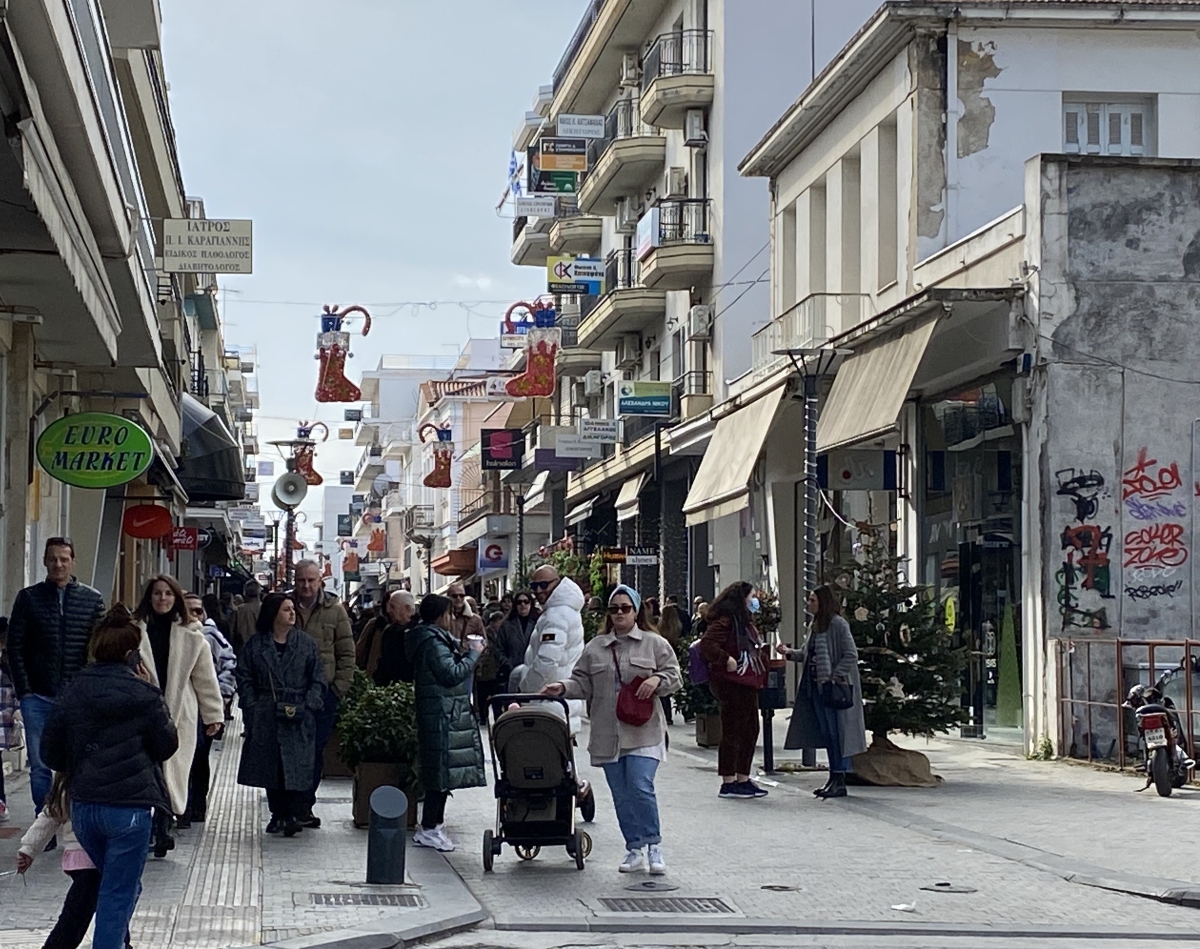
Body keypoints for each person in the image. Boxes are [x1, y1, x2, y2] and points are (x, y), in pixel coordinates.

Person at [40, 605, 178, 949]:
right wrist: (152, 694)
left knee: (117, 886)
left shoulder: (72, 691)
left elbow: (50, 753)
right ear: (132, 655)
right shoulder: (145, 695)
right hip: (129, 811)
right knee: (116, 897)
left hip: (86, 808)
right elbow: (166, 746)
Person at [542, 584, 680, 875]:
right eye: (614, 608)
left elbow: (674, 676)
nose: (619, 613)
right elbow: (581, 682)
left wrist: (656, 681)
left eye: (625, 608)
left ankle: (654, 845)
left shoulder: (654, 643)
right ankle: (634, 847)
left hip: (644, 731)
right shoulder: (596, 648)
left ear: (636, 611)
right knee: (621, 794)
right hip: (607, 733)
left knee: (641, 787)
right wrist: (563, 687)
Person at [7, 538, 106, 814]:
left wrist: (88, 687)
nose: (58, 564)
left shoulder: (92, 599)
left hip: (76, 697)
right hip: (37, 696)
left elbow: (99, 648)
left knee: (77, 761)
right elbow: (15, 647)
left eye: (64, 558)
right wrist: (24, 690)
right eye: (53, 559)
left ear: (73, 561)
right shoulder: (28, 598)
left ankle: (75, 822)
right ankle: (45, 819)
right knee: (40, 765)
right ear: (44, 561)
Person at [134, 576, 224, 851]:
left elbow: (205, 678)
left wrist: (214, 715)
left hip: (179, 712)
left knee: (172, 771)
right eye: (157, 594)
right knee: (147, 771)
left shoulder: (193, 636)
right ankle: (153, 827)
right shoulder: (134, 632)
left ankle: (164, 826)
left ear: (176, 599)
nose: (162, 599)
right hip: (141, 712)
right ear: (149, 597)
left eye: (168, 594)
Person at [236, 593, 326, 837]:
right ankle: (279, 814)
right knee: (271, 764)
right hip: (267, 713)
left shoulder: (306, 644)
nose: (292, 613)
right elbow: (244, 677)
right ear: (273, 613)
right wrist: (252, 706)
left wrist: (310, 704)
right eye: (286, 609)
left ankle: (292, 813)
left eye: (292, 609)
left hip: (299, 713)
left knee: (298, 763)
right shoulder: (256, 645)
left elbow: (318, 678)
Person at [405, 593, 485, 852]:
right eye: (449, 614)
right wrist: (473, 656)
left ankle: (434, 825)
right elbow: (451, 674)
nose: (452, 619)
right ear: (440, 616)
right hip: (441, 713)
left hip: (442, 711)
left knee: (441, 772)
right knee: (438, 773)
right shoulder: (432, 642)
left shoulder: (434, 639)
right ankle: (429, 827)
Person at [17, 772, 133, 949]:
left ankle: (122, 943)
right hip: (91, 857)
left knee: (106, 907)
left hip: (83, 858)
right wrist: (29, 848)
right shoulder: (96, 777)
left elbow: (50, 815)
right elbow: (51, 814)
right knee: (85, 912)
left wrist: (29, 848)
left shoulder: (68, 779)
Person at [780, 586, 867, 799]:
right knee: (828, 734)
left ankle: (839, 778)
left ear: (822, 602)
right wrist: (789, 653)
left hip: (832, 689)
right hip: (816, 688)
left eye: (812, 600)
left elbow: (850, 654)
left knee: (838, 734)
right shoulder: (815, 626)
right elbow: (808, 653)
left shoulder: (838, 624)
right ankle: (833, 777)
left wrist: (835, 675)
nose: (808, 604)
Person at [289, 559, 355, 828]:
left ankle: (305, 805)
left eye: (311, 580)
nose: (306, 585)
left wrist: (339, 688)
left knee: (314, 751)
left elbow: (347, 651)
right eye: (301, 580)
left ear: (320, 582)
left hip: (323, 694)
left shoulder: (335, 611)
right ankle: (285, 807)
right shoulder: (284, 606)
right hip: (288, 693)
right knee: (287, 751)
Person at [699, 581, 769, 799]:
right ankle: (729, 781)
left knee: (749, 730)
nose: (755, 600)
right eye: (752, 596)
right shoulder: (727, 621)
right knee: (733, 731)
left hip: (746, 682)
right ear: (741, 599)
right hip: (733, 683)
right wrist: (725, 658)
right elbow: (707, 645)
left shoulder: (743, 621)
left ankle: (742, 778)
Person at [184, 594, 237, 823]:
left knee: (199, 758)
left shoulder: (211, 635)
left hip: (202, 710)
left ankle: (196, 806)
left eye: (198, 610)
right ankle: (180, 807)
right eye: (189, 610)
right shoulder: (172, 635)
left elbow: (229, 663)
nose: (194, 615)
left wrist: (222, 697)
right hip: (179, 710)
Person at [515, 566, 586, 733]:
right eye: (534, 586)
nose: (539, 590)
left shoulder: (556, 615)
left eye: (544, 585)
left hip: (547, 704)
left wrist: (525, 689)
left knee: (542, 757)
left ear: (558, 583)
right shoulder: (565, 610)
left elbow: (547, 661)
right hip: (558, 703)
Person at [373, 590, 419, 686]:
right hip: (391, 686)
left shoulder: (419, 631)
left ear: (407, 608)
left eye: (393, 607)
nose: (389, 611)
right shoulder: (389, 632)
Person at [496, 590, 538, 691]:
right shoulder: (506, 625)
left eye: (526, 601)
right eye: (519, 602)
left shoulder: (539, 623)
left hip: (534, 671)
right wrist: (507, 663)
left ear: (531, 603)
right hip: (512, 673)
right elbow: (498, 649)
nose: (522, 605)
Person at [356, 592, 404, 678]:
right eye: (391, 604)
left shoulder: (406, 627)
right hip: (374, 674)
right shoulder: (375, 624)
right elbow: (360, 648)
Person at [231, 580, 263, 656]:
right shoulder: (265, 608)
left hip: (242, 651)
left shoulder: (238, 610)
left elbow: (232, 632)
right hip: (261, 651)